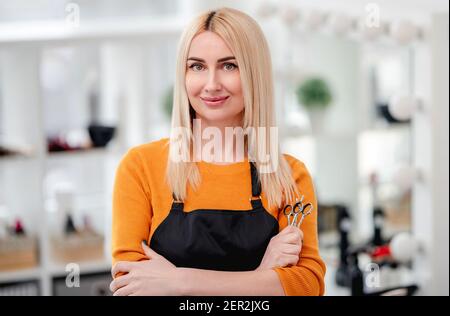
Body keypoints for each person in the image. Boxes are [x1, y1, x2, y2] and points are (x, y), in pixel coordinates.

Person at [110, 7, 326, 296]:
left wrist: (179, 282)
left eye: (229, 66)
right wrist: (262, 276)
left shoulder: (289, 175)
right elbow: (130, 286)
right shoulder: (140, 167)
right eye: (197, 66)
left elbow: (308, 285)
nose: (211, 85)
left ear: (253, 73)